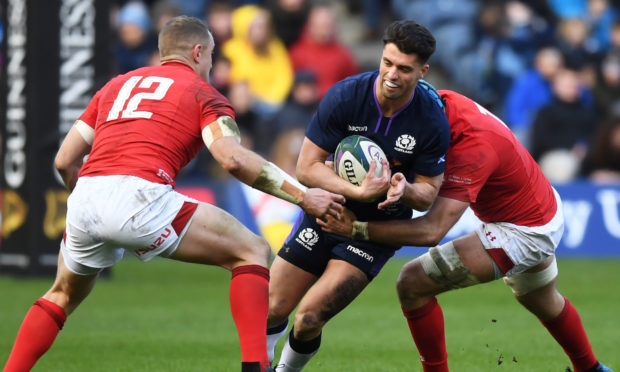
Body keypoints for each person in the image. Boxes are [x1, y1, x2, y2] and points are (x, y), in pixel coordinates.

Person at [2, 16, 345, 372]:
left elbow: (63, 160)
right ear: (198, 52)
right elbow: (233, 160)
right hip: (140, 194)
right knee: (252, 251)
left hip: (86, 194)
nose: (212, 64)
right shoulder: (204, 94)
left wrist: (92, 200)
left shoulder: (116, 86)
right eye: (211, 55)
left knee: (61, 294)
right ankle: (255, 367)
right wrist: (304, 196)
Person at [319, 86, 614, 372]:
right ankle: (591, 368)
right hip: (540, 204)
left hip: (523, 230)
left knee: (411, 283)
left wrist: (357, 229)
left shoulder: (472, 148)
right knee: (542, 299)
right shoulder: (440, 104)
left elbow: (431, 230)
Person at [266, 20, 450, 371]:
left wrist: (405, 190)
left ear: (423, 71)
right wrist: (355, 190)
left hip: (374, 232)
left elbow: (427, 195)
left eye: (404, 69)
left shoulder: (431, 120)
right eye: (387, 63)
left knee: (308, 319)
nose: (391, 75)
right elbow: (307, 167)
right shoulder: (347, 95)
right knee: (272, 307)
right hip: (326, 211)